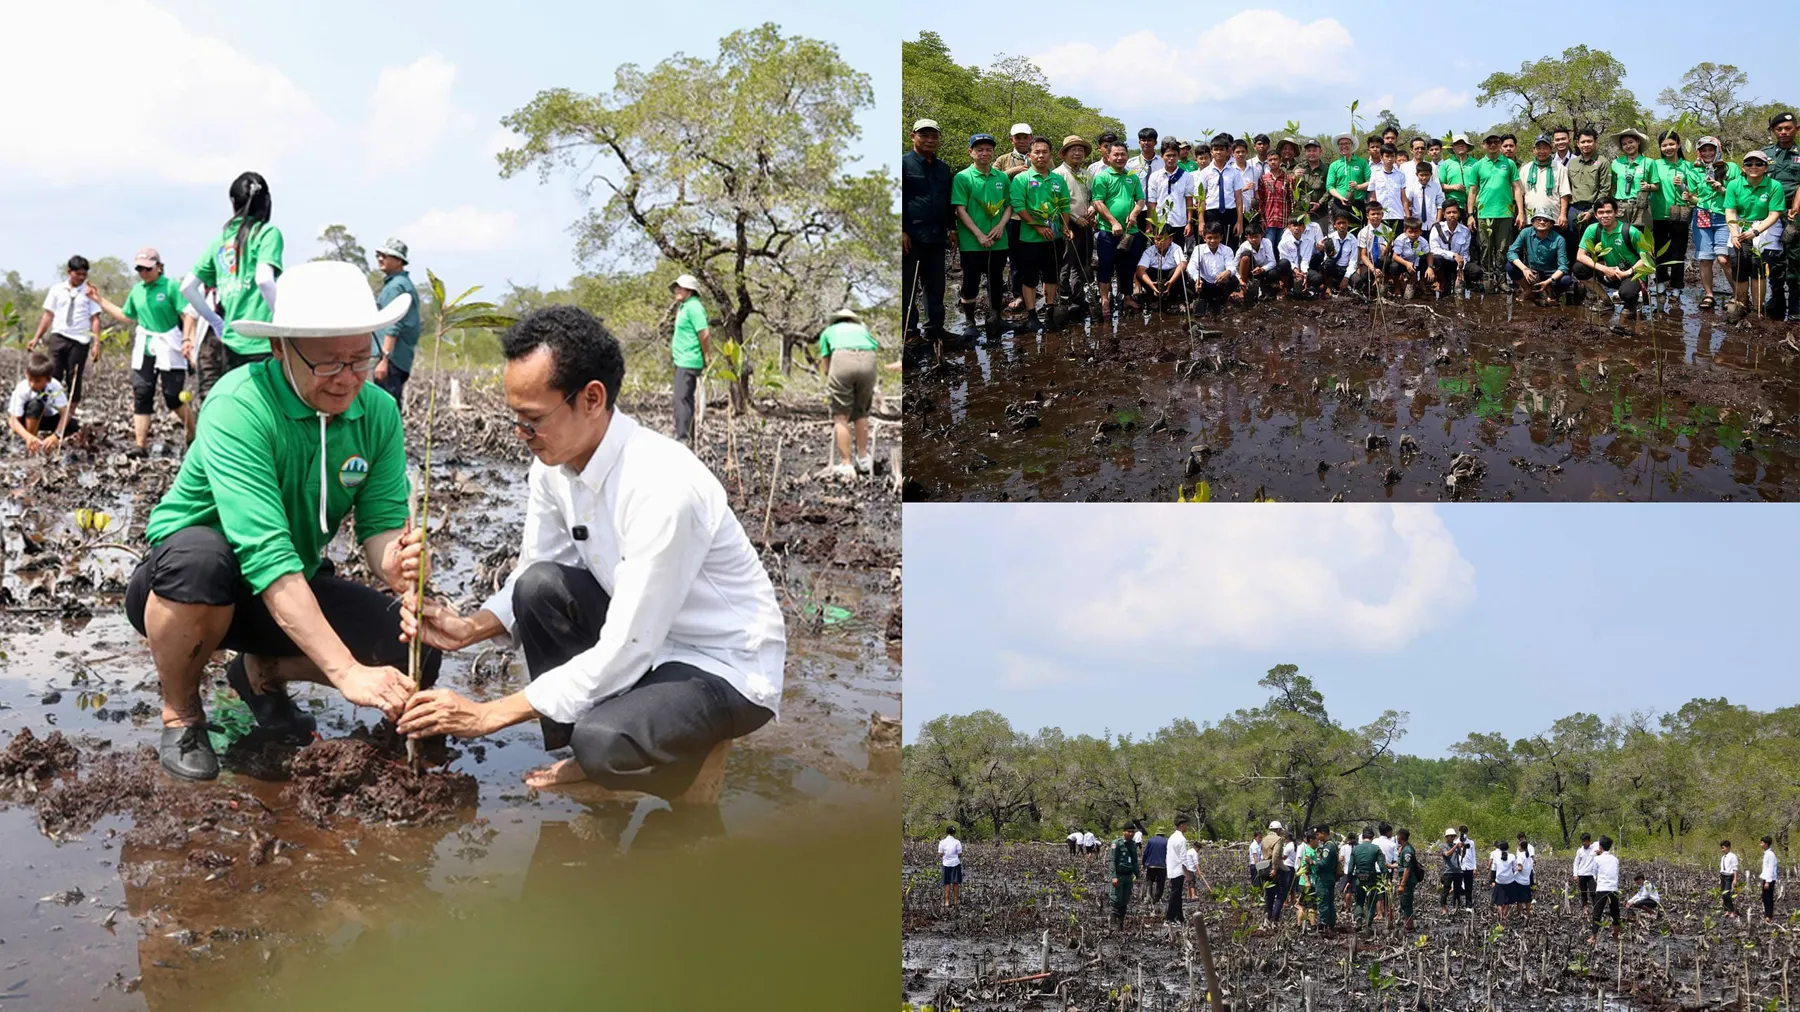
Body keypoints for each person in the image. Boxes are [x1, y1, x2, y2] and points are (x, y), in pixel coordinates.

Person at [397, 304, 786, 803]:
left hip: (722, 662)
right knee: (539, 587)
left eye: (533, 420)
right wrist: (471, 628)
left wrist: (488, 714)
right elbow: (533, 571)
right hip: (649, 639)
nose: (522, 436)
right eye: (516, 419)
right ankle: (597, 749)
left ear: (592, 398)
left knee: (603, 741)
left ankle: (684, 766)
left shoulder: (663, 486)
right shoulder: (554, 465)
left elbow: (629, 645)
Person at [124, 261, 425, 780]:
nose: (348, 378)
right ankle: (182, 713)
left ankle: (260, 671)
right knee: (204, 561)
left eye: (360, 358)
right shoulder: (240, 406)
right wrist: (345, 671)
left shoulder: (377, 412)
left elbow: (379, 525)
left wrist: (396, 562)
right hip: (189, 588)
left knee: (408, 653)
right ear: (280, 348)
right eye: (330, 364)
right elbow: (265, 556)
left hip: (289, 586)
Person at [90, 248, 195, 455]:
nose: (144, 273)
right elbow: (126, 315)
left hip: (170, 344)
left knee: (173, 397)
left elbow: (188, 313)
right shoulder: (137, 290)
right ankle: (140, 445)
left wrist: (188, 340)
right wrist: (99, 300)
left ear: (158, 267)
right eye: (139, 269)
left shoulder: (171, 286)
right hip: (145, 347)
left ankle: (193, 431)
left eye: (147, 268)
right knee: (142, 393)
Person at [183, 170, 283, 376]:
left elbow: (188, 287)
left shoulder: (219, 242)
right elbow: (264, 280)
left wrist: (216, 322)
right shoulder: (267, 233)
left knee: (241, 403)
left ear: (233, 203)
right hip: (266, 344)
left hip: (231, 343)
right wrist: (283, 320)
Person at [27, 256, 103, 430]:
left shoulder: (90, 293)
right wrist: (37, 337)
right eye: (78, 274)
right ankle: (46, 415)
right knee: (51, 375)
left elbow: (95, 319)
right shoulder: (56, 290)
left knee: (73, 378)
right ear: (69, 272)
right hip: (59, 336)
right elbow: (48, 316)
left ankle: (66, 419)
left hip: (80, 340)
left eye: (84, 274)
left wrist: (96, 343)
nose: (81, 278)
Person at [1008, 136, 1070, 328]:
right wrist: (1038, 227)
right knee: (1030, 278)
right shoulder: (1021, 179)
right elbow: (1019, 206)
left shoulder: (1057, 179)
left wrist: (1065, 227)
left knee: (1052, 275)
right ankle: (1032, 315)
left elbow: (1065, 206)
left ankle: (1050, 310)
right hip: (1030, 238)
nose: (1041, 156)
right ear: (1029, 155)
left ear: (1050, 155)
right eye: (1037, 152)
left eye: (1045, 152)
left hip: (1055, 237)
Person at [951, 133, 1012, 327]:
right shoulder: (963, 177)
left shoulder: (1001, 176)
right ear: (971, 152)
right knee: (971, 281)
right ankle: (970, 323)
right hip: (972, 242)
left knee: (996, 279)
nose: (985, 153)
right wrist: (979, 235)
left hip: (998, 240)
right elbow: (960, 209)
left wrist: (1001, 225)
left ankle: (996, 318)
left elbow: (1009, 205)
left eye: (988, 150)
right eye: (980, 150)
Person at [901, 120, 953, 343]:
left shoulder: (943, 168)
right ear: (913, 136)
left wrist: (952, 229)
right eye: (924, 135)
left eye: (934, 136)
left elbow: (948, 201)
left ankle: (935, 329)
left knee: (936, 286)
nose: (930, 140)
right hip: (911, 236)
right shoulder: (902, 164)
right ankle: (909, 332)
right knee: (907, 287)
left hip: (937, 236)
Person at [816, 309, 879, 478]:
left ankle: (846, 464)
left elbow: (826, 365)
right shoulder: (862, 330)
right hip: (869, 360)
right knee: (861, 413)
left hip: (842, 359)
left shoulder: (828, 331)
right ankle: (864, 459)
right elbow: (874, 347)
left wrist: (830, 376)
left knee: (841, 417)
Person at [1725, 150, 1788, 318]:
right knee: (1739, 266)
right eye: (1749, 164)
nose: (1754, 167)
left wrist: (1756, 231)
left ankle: (1758, 309)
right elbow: (1730, 211)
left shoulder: (1774, 186)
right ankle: (1742, 303)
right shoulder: (1734, 184)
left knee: (1758, 268)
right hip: (1740, 224)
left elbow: (1774, 214)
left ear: (1766, 167)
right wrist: (1734, 233)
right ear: (1743, 167)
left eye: (1759, 164)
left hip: (1765, 227)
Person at [1092, 140, 1147, 316]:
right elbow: (1098, 201)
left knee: (1128, 266)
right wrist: (1113, 222)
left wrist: (1134, 213)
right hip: (1108, 231)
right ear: (1108, 157)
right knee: (1106, 265)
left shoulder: (1132, 176)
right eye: (1116, 154)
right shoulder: (1102, 177)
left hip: (1129, 232)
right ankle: (1105, 300)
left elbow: (1140, 200)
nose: (1120, 157)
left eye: (1123, 154)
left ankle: (1128, 297)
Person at [1575, 197, 1653, 314]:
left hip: (1632, 273)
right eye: (1601, 213)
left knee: (1627, 293)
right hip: (1609, 272)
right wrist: (1604, 269)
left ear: (1616, 212)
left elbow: (1647, 257)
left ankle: (1631, 304)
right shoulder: (1593, 229)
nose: (1605, 216)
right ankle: (1605, 300)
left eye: (1609, 212)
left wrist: (1626, 273)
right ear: (1595, 215)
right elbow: (1580, 255)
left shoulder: (1630, 231)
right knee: (1578, 268)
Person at [1689, 137, 1741, 309]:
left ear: (1718, 149)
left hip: (1723, 216)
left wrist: (1722, 188)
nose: (1707, 153)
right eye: (1703, 150)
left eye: (1711, 149)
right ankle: (1709, 295)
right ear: (1699, 152)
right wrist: (1690, 198)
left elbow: (1739, 194)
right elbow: (1696, 198)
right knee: (1705, 258)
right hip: (1702, 214)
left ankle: (1739, 295)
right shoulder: (1694, 171)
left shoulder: (1730, 167)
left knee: (1724, 258)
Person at [372, 238, 422, 410]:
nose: (380, 259)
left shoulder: (396, 287)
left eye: (386, 255)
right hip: (395, 359)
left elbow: (394, 325)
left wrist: (384, 360)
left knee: (386, 408)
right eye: (379, 255)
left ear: (399, 261)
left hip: (391, 360)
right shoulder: (398, 284)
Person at [1759, 112, 1800, 320]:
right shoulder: (1765, 154)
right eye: (1779, 129)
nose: (1783, 132)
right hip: (1771, 212)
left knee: (1795, 259)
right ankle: (1776, 302)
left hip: (1795, 213)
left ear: (1796, 129)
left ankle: (1795, 307)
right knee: (1772, 258)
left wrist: (1795, 207)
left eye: (1788, 128)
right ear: (1774, 131)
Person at [1470, 134, 1524, 290]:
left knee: (1503, 248)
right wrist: (1470, 215)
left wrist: (1520, 212)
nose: (1493, 145)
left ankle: (1501, 280)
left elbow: (1517, 188)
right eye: (1489, 142)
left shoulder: (1509, 164)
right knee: (1486, 248)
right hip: (1484, 214)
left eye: (1496, 142)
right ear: (1483, 145)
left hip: (1505, 214)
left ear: (1500, 144)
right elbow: (1472, 192)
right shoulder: (1478, 166)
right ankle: (1487, 278)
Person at [1646, 130, 1694, 297]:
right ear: (1660, 147)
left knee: (1678, 251)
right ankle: (1659, 284)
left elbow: (1693, 193)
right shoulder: (1655, 164)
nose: (1668, 148)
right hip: (1658, 215)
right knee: (1659, 250)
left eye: (1671, 144)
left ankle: (1677, 287)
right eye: (1664, 145)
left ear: (1679, 145)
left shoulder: (1687, 166)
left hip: (1679, 215)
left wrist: (1682, 186)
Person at [995, 123, 1036, 309]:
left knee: (1037, 257)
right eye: (1017, 137)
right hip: (1012, 218)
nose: (1021, 141)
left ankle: (1037, 290)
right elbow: (992, 178)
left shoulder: (1040, 155)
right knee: (1016, 258)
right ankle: (1018, 294)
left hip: (1037, 217)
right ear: (1011, 139)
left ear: (1031, 138)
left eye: (1025, 137)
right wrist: (1013, 171)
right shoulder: (1003, 159)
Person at [1054, 136, 1096, 310]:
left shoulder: (1087, 174)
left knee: (1083, 261)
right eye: (1073, 150)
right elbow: (1057, 202)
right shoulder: (1058, 174)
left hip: (1086, 224)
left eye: (1081, 150)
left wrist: (1093, 209)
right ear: (1064, 153)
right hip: (1067, 224)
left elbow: (1093, 197)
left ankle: (1078, 295)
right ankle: (1064, 296)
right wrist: (1074, 218)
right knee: (1067, 261)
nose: (1078, 153)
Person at [667, 274, 709, 443]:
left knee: (681, 400)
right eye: (676, 287)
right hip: (681, 360)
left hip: (689, 361)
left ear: (690, 290)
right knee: (685, 400)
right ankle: (687, 439)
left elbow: (704, 333)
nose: (677, 290)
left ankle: (683, 440)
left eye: (680, 287)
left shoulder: (694, 307)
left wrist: (707, 355)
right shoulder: (684, 307)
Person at [8, 353, 78, 455]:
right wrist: (28, 436)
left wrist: (56, 435)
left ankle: (53, 444)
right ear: (26, 374)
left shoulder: (55, 386)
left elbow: (65, 413)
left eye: (38, 381)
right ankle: (32, 443)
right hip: (29, 418)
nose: (32, 384)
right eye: (30, 379)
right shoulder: (22, 389)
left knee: (73, 425)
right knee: (36, 405)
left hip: (48, 418)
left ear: (48, 380)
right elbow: (13, 420)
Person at [1565, 128, 1614, 266]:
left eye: (1589, 141)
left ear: (1595, 143)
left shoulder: (1602, 162)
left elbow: (1605, 189)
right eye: (1583, 142)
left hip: (1594, 209)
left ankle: (1596, 277)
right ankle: (1575, 277)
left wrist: (1592, 212)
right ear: (1578, 144)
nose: (1586, 144)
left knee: (1594, 245)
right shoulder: (1572, 163)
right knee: (1572, 243)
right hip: (1573, 209)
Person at [1508, 210, 1575, 304]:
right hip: (1532, 271)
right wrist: (1524, 269)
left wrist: (1549, 281)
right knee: (1510, 266)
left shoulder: (1559, 240)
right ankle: (1528, 290)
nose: (1542, 222)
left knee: (1566, 280)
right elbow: (1511, 252)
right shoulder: (1525, 232)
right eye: (1538, 219)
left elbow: (1563, 266)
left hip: (1551, 272)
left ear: (1552, 224)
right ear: (1532, 222)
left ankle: (1552, 293)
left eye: (1545, 220)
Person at [1147, 138, 1199, 249]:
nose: (1171, 158)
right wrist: (1149, 224)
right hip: (1160, 221)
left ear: (1178, 156)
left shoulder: (1186, 176)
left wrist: (1189, 222)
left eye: (1174, 155)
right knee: (1158, 254)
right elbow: (1152, 202)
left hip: (1179, 222)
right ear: (1162, 156)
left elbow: (1189, 201)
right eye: (1168, 155)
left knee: (1177, 253)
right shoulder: (1155, 176)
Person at [1197, 134, 1247, 247]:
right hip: (1211, 213)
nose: (1218, 152)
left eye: (1221, 149)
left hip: (1230, 213)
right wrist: (1201, 222)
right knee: (1213, 244)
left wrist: (1240, 222)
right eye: (1216, 149)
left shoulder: (1235, 172)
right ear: (1211, 152)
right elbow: (1201, 198)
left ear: (1228, 151)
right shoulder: (1204, 173)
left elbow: (1239, 198)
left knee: (1231, 245)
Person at [1519, 134, 1572, 231]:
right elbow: (1520, 194)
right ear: (1533, 150)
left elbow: (1564, 194)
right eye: (1539, 148)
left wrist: (1563, 215)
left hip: (1553, 220)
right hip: (1530, 219)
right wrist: (1520, 214)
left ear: (1550, 149)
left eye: (1545, 148)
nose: (1542, 151)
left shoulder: (1560, 168)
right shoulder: (1525, 169)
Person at [1185, 224, 1239, 310]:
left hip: (1220, 283)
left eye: (1216, 237)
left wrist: (1227, 272)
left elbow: (1232, 266)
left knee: (1234, 280)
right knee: (1189, 279)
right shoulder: (1198, 249)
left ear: (1221, 238)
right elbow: (1191, 267)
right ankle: (1202, 298)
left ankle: (1222, 300)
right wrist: (1197, 278)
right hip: (1204, 284)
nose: (1213, 241)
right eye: (1209, 238)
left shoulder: (1227, 250)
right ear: (1204, 238)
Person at [1611, 128, 1654, 234]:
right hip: (1621, 207)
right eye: (1624, 144)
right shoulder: (1616, 163)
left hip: (1641, 206)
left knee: (1641, 239)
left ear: (1638, 142)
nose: (1628, 146)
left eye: (1631, 142)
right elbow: (1612, 186)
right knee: (1621, 237)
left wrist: (1648, 186)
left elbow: (1656, 186)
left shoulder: (1648, 162)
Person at [1135, 229, 1190, 310]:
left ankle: (1175, 299)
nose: (1159, 242)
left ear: (1171, 239)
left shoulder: (1176, 248)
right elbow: (1140, 269)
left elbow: (1182, 264)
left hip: (1171, 278)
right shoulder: (1149, 251)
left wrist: (1170, 282)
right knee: (1143, 274)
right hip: (1155, 280)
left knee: (1181, 272)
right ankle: (1154, 298)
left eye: (1163, 239)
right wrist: (1151, 284)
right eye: (1157, 239)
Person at [1429, 203, 1475, 296]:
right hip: (1444, 262)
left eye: (1454, 212)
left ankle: (1463, 282)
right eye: (1448, 212)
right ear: (1444, 215)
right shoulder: (1437, 228)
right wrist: (1453, 255)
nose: (1451, 215)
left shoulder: (1465, 231)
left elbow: (1465, 253)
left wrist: (1460, 268)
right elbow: (1434, 249)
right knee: (1435, 259)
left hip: (1458, 264)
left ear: (1458, 214)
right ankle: (1441, 280)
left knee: (1476, 271)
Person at [1326, 132, 1370, 226]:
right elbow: (1330, 186)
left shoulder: (1362, 162)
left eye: (1347, 143)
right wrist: (1340, 197)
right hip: (1339, 204)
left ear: (1352, 145)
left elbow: (1370, 182)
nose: (1344, 146)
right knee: (1340, 232)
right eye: (1341, 144)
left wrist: (1358, 186)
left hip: (1358, 204)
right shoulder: (1334, 165)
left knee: (1357, 231)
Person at [1236, 225, 1287, 305]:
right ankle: (1242, 289)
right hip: (1250, 272)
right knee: (1245, 256)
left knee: (1273, 273)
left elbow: (1272, 262)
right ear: (1246, 237)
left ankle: (1268, 287)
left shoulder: (1266, 242)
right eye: (1251, 237)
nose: (1253, 240)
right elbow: (1234, 265)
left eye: (1256, 237)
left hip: (1263, 271)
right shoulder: (1244, 246)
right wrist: (1240, 279)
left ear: (1262, 235)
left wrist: (1262, 269)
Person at [1277, 217, 1326, 298]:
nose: (1297, 228)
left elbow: (1305, 260)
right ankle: (1285, 287)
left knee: (1318, 279)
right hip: (1290, 269)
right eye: (1294, 225)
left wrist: (1304, 273)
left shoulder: (1309, 241)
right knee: (1283, 263)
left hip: (1301, 268)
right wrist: (1296, 270)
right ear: (1289, 227)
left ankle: (1304, 286)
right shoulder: (1283, 243)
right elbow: (1288, 260)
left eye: (1300, 225)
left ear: (1304, 227)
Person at [1586, 835, 1621, 943]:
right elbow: (1617, 873)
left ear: (1600, 847)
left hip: (1602, 888)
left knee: (1597, 913)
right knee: (1616, 913)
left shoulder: (1597, 859)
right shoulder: (1615, 859)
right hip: (1614, 888)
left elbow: (1594, 873)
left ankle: (1593, 937)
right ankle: (1616, 936)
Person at [1351, 204, 1392, 297]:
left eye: (1378, 214)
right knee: (1363, 277)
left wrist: (1388, 245)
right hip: (1369, 261)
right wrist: (1373, 269)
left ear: (1382, 215)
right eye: (1373, 214)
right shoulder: (1363, 232)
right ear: (1367, 216)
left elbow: (1385, 254)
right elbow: (1363, 255)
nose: (1376, 216)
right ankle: (1370, 286)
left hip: (1382, 260)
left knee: (1388, 261)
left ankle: (1382, 285)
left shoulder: (1388, 231)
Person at [1349, 827, 1385, 929]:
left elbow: (1350, 868)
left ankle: (1359, 919)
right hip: (1371, 879)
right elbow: (1382, 866)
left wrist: (1349, 880)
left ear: (1362, 836)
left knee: (1359, 901)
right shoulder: (1376, 848)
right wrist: (1386, 877)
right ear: (1372, 837)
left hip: (1359, 878)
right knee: (1371, 902)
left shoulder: (1355, 849)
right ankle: (1368, 925)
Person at [1367, 145, 1409, 227]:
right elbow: (1373, 197)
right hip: (1380, 217)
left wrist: (1407, 216)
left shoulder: (1401, 175)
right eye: (1387, 156)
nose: (1390, 159)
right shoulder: (1375, 174)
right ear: (1381, 157)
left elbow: (1403, 197)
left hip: (1398, 216)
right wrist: (1370, 219)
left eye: (1392, 156)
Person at [1308, 827, 1339, 935]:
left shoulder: (1328, 847)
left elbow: (1324, 863)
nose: (1317, 836)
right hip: (1329, 877)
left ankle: (1323, 926)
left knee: (1323, 901)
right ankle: (1330, 925)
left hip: (1324, 878)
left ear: (1324, 833)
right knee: (1329, 901)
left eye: (1318, 834)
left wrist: (1312, 861)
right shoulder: (1329, 845)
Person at [1390, 219, 1432, 299]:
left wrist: (1430, 267)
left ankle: (1420, 282)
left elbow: (1429, 254)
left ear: (1420, 232)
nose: (1413, 235)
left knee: (1428, 260)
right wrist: (1407, 264)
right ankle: (1397, 287)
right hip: (1402, 263)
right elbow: (1395, 256)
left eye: (1416, 232)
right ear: (1405, 231)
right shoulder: (1400, 240)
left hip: (1415, 262)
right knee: (1394, 266)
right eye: (1410, 232)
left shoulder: (1423, 241)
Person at [1321, 212, 1361, 295]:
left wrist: (1346, 277)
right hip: (1334, 268)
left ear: (1348, 224)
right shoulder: (1329, 238)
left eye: (1344, 223)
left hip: (1346, 268)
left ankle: (1345, 285)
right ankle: (1328, 286)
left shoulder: (1353, 240)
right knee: (1329, 262)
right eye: (1339, 223)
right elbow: (1325, 259)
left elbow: (1353, 262)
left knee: (1357, 281)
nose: (1342, 226)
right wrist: (1330, 254)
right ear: (1334, 225)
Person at [1109, 824, 1138, 928]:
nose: (1131, 834)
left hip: (1128, 877)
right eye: (1128, 831)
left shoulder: (1133, 844)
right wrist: (1113, 877)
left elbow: (1134, 861)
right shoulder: (1116, 843)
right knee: (1116, 900)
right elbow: (1112, 861)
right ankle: (1113, 926)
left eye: (1132, 832)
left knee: (1125, 900)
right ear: (1123, 832)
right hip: (1118, 876)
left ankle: (1120, 925)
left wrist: (1137, 875)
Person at [1294, 139, 1330, 225]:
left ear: (1320, 151)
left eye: (1314, 151)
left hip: (1320, 212)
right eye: (1308, 151)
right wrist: (1293, 176)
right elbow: (1289, 186)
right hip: (1301, 210)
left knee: (1321, 236)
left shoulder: (1326, 170)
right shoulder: (1299, 167)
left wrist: (1319, 203)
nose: (1311, 153)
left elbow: (1329, 190)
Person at [1259, 821, 1288, 925]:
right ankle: (1275, 918)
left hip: (1265, 868)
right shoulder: (1278, 839)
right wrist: (1275, 869)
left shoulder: (1264, 839)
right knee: (1281, 894)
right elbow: (1275, 855)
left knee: (1269, 894)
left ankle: (1269, 916)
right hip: (1276, 869)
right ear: (1278, 830)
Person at [1395, 828, 1423, 932]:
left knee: (1407, 903)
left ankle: (1409, 926)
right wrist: (1390, 865)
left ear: (1399, 837)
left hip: (1408, 881)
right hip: (1406, 880)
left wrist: (1402, 885)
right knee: (1404, 902)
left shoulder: (1407, 851)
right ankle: (1407, 923)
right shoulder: (1404, 848)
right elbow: (1402, 865)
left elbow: (1407, 869)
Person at [1403, 159, 1443, 230]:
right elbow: (1408, 204)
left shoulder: (1436, 186)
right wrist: (1410, 220)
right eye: (1421, 175)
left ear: (1431, 174)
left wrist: (1438, 222)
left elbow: (1440, 205)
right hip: (1416, 224)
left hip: (1432, 223)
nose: (1424, 178)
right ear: (1416, 174)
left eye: (1427, 175)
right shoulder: (1412, 188)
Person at [1165, 816, 1191, 924]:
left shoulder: (1171, 837)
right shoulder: (1181, 839)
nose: (1187, 827)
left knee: (1177, 894)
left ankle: (1180, 917)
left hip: (1171, 869)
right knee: (1175, 895)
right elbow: (1183, 858)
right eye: (1186, 825)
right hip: (1178, 870)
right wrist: (1188, 874)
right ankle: (1169, 918)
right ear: (1181, 825)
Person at [938, 826, 963, 908]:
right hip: (955, 863)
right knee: (956, 883)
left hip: (946, 864)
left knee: (947, 883)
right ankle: (956, 901)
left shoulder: (942, 842)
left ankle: (947, 901)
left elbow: (940, 854)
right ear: (954, 833)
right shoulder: (957, 842)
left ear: (946, 832)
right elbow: (960, 854)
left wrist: (946, 856)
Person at [1439, 828, 1463, 914]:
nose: (1452, 838)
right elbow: (1447, 854)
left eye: (1454, 836)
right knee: (1446, 890)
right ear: (1447, 837)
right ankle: (1443, 906)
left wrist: (1463, 848)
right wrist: (1455, 846)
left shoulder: (1455, 846)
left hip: (1458, 871)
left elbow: (1462, 855)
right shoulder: (1443, 846)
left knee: (1457, 890)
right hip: (1448, 871)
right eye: (1451, 836)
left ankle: (1456, 906)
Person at [1573, 832, 1599, 910]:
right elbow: (1576, 863)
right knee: (1583, 892)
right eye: (1583, 841)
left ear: (1589, 841)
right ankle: (1585, 907)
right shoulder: (1579, 851)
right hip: (1582, 874)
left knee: (1593, 892)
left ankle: (1595, 907)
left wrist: (1599, 853)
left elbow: (1601, 842)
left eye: (1585, 841)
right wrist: (1575, 874)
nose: (1584, 843)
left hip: (1591, 875)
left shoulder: (1594, 849)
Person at [1143, 828, 1169, 906]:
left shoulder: (1150, 840)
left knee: (1149, 880)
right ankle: (1156, 899)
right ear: (1163, 834)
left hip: (1151, 865)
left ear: (1156, 833)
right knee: (1160, 883)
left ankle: (1149, 896)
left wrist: (1143, 862)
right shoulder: (1166, 842)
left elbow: (1146, 852)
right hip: (1162, 865)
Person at [1490, 839, 1516, 918]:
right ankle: (1504, 914)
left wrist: (1492, 881)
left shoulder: (1496, 856)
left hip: (1499, 881)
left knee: (1499, 900)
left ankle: (1500, 915)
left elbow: (1493, 869)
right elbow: (1515, 868)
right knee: (1508, 900)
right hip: (1509, 881)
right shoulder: (1512, 856)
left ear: (1499, 848)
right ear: (1508, 848)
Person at [1459, 826, 1478, 911]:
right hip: (1459, 867)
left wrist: (1475, 867)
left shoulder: (1471, 843)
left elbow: (1473, 855)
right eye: (1462, 832)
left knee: (1469, 887)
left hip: (1469, 867)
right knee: (1457, 886)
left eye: (1465, 832)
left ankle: (1468, 905)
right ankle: (1457, 904)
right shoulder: (1456, 842)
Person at [1760, 835, 1779, 919]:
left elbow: (1771, 868)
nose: (1761, 844)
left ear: (1766, 844)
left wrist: (1767, 881)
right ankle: (1767, 914)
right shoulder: (1767, 853)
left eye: (1762, 843)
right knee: (1765, 897)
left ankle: (1769, 916)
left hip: (1769, 879)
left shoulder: (1770, 854)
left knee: (1768, 898)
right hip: (1766, 878)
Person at [1720, 840, 1740, 917]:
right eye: (1721, 848)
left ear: (1728, 847)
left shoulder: (1733, 856)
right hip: (1723, 875)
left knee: (1727, 894)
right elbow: (1722, 868)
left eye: (1723, 848)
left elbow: (1735, 869)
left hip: (1729, 876)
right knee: (1723, 894)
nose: (1722, 850)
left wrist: (1735, 879)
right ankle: (1727, 910)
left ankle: (1732, 911)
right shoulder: (1723, 857)